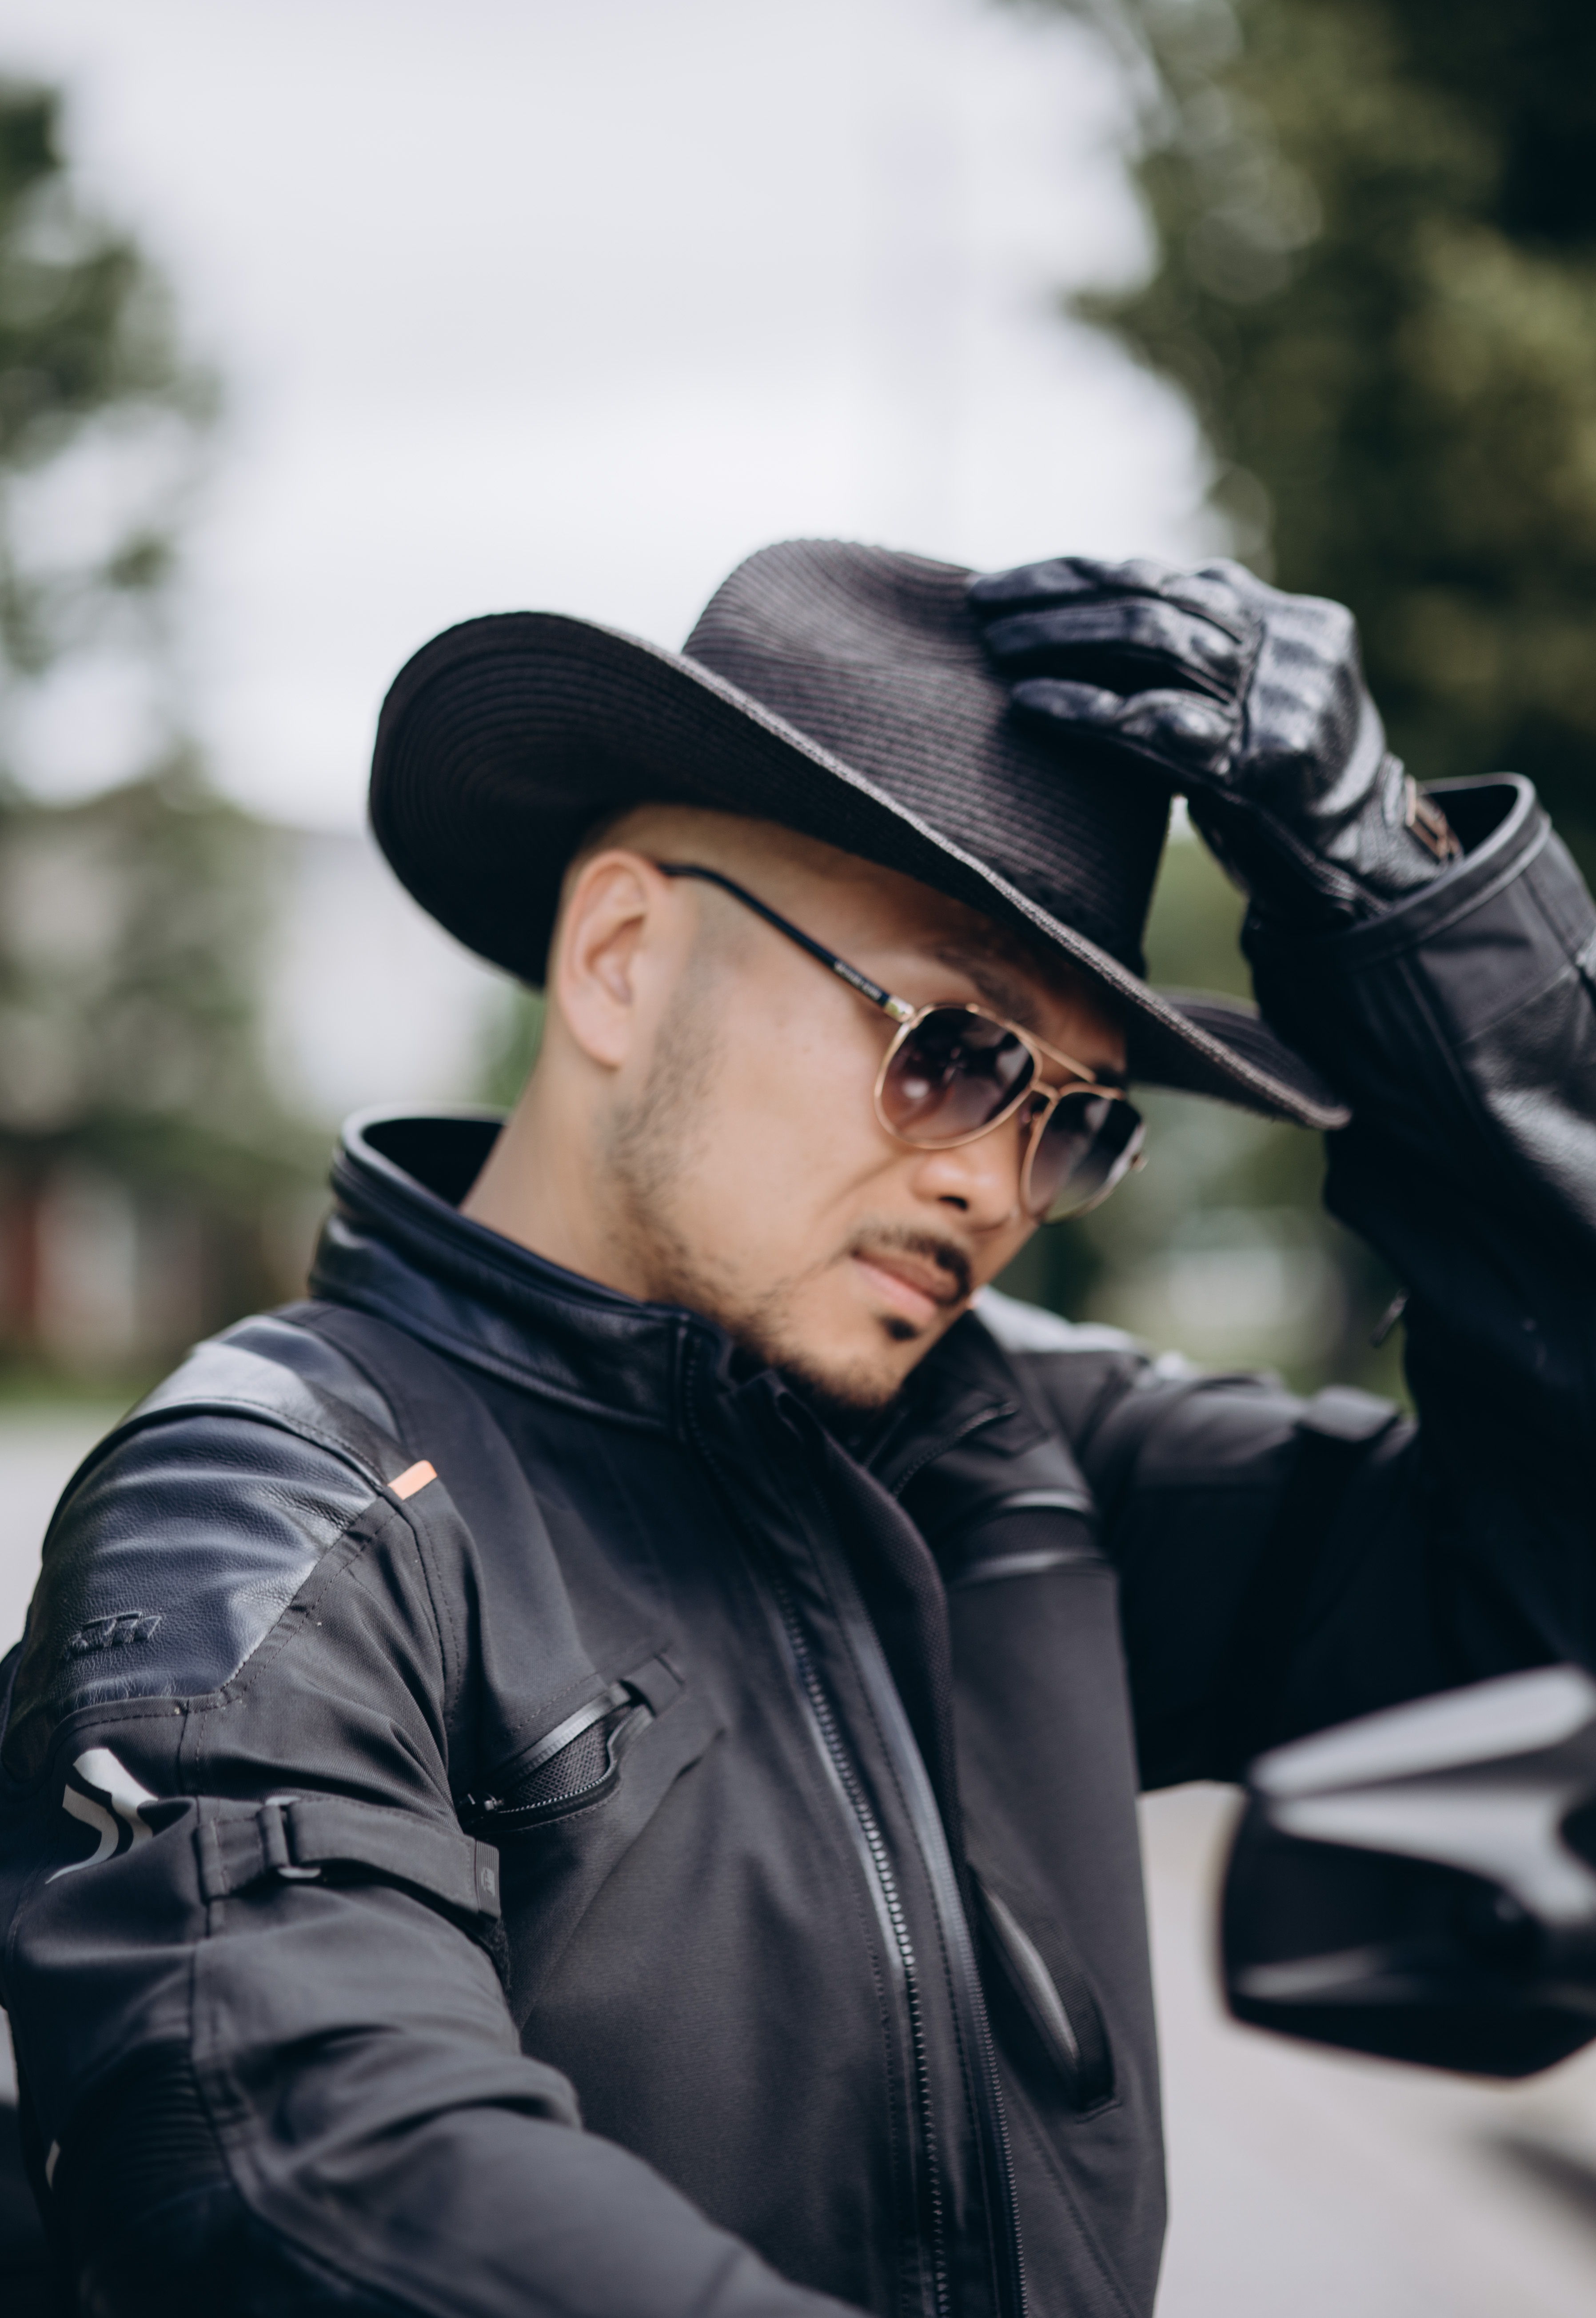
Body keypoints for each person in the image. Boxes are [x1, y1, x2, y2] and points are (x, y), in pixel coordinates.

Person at [1, 540, 1592, 2318]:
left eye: (1073, 1121)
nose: (997, 1186)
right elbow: (309, 2162)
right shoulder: (267, 1520)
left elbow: (1545, 1572)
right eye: (955, 1048)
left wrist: (1417, 916)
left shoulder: (1012, 1456)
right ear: (620, 960)